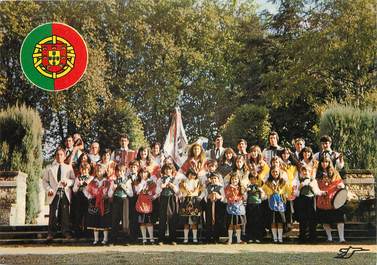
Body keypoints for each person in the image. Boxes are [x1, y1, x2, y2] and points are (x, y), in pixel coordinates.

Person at [42, 147, 75, 241]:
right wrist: (48, 189)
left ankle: (66, 232)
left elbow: (73, 180)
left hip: (64, 192)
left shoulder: (69, 167)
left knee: (65, 213)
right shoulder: (50, 168)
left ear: (64, 157)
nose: (59, 156)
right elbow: (45, 181)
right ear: (55, 156)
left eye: (61, 155)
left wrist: (67, 182)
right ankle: (51, 233)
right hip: (54, 193)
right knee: (53, 213)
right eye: (57, 154)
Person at [315, 155, 346, 243]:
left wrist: (341, 186)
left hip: (334, 198)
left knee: (339, 219)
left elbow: (341, 183)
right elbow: (315, 185)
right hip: (323, 199)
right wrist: (319, 192)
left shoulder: (335, 172)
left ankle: (342, 238)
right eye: (322, 162)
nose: (324, 164)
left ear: (329, 163)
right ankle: (329, 238)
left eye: (326, 162)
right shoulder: (318, 173)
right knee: (325, 220)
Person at [294, 165, 325, 243]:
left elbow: (317, 191)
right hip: (302, 200)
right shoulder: (298, 180)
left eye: (306, 171)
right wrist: (300, 187)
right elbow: (295, 193)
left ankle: (312, 238)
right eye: (303, 171)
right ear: (301, 172)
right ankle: (302, 238)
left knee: (312, 220)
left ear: (309, 172)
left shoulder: (313, 180)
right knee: (302, 219)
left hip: (311, 200)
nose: (305, 172)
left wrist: (323, 192)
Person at [84, 165, 112, 245]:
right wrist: (90, 197)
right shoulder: (92, 182)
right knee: (95, 221)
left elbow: (110, 191)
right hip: (95, 202)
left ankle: (105, 239)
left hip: (104, 202)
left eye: (100, 171)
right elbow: (86, 190)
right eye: (97, 171)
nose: (99, 173)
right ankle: (96, 239)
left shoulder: (107, 181)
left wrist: (108, 195)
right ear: (95, 172)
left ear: (104, 172)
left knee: (104, 221)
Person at [262, 165, 290, 243]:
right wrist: (270, 192)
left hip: (280, 203)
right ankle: (275, 238)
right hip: (271, 203)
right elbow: (263, 191)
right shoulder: (267, 182)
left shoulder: (283, 181)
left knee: (280, 221)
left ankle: (280, 238)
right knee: (273, 221)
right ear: (270, 173)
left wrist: (283, 194)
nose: (275, 173)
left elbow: (287, 190)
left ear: (279, 172)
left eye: (276, 172)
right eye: (273, 172)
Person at [109, 164, 133, 245]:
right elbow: (109, 194)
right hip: (116, 200)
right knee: (115, 219)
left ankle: (126, 240)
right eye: (119, 171)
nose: (120, 173)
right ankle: (113, 240)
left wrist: (125, 188)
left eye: (122, 171)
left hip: (124, 200)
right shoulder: (113, 181)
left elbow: (131, 194)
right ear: (116, 172)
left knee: (125, 220)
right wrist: (113, 188)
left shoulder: (128, 181)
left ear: (125, 172)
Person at [156, 163, 179, 245]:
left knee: (172, 218)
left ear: (172, 170)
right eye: (166, 169)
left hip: (171, 199)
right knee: (162, 219)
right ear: (163, 170)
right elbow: (157, 191)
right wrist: (163, 186)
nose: (167, 171)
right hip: (163, 199)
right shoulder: (160, 179)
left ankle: (173, 239)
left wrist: (172, 186)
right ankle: (160, 239)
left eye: (169, 169)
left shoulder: (175, 179)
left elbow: (178, 191)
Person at [179, 168, 203, 243]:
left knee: (194, 221)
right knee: (186, 221)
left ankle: (195, 238)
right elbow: (181, 191)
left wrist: (199, 198)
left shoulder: (198, 182)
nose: (192, 176)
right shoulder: (183, 182)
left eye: (193, 175)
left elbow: (202, 190)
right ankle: (185, 238)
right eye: (190, 174)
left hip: (195, 201)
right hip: (186, 200)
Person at [135, 168, 157, 244]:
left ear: (148, 173)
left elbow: (154, 192)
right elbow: (137, 191)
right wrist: (141, 184)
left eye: (145, 173)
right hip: (141, 202)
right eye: (141, 173)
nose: (143, 174)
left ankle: (151, 238)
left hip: (148, 202)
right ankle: (144, 238)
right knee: (142, 222)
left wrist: (152, 195)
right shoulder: (138, 182)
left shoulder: (151, 182)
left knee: (149, 221)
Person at [72, 162, 93, 238]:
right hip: (79, 198)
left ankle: (88, 233)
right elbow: (74, 190)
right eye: (83, 170)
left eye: (86, 170)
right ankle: (78, 233)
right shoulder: (78, 178)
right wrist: (78, 185)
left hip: (88, 198)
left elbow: (93, 189)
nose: (84, 171)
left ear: (88, 170)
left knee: (88, 216)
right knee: (78, 216)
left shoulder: (91, 178)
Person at [224, 172, 246, 244]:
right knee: (231, 224)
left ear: (238, 180)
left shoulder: (241, 187)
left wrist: (241, 196)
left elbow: (244, 197)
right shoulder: (227, 188)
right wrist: (233, 198)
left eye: (236, 179)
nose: (234, 181)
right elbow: (227, 196)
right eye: (233, 179)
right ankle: (230, 240)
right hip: (231, 207)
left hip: (239, 208)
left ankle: (239, 240)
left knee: (238, 224)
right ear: (230, 180)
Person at [245, 166, 265, 243]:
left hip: (258, 205)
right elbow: (244, 196)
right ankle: (250, 237)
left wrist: (261, 192)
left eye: (255, 179)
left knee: (258, 221)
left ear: (257, 179)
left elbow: (263, 196)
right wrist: (246, 191)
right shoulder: (248, 187)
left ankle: (258, 237)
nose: (253, 180)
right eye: (251, 179)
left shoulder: (259, 187)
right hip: (250, 205)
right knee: (250, 221)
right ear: (249, 179)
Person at [204, 173, 225, 243]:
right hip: (210, 204)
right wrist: (208, 197)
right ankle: (208, 237)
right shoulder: (208, 187)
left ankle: (216, 238)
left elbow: (224, 197)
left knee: (217, 220)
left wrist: (219, 197)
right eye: (212, 178)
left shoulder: (221, 187)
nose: (213, 180)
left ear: (218, 179)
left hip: (218, 205)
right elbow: (205, 196)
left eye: (215, 178)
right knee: (209, 220)